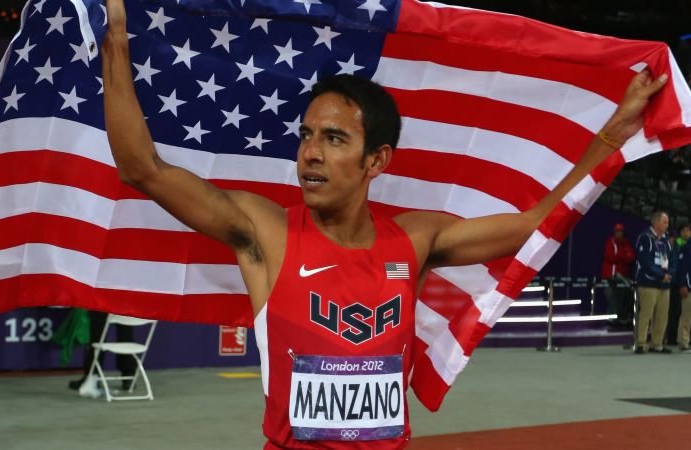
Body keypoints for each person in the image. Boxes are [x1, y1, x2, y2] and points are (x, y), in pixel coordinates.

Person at [101, 1, 667, 447]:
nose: (310, 153)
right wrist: (117, 39)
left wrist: (615, 132)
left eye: (333, 139)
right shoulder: (265, 232)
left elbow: (534, 224)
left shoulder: (416, 240)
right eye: (306, 136)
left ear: (377, 160)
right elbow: (143, 168)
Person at [634, 212, 675, 354]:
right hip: (648, 283)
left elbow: (672, 261)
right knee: (646, 314)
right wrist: (661, 275)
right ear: (656, 223)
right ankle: (641, 343)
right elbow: (645, 262)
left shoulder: (666, 241)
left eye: (667, 222)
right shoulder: (645, 237)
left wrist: (669, 274)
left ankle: (657, 344)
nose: (667, 225)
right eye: (665, 222)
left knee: (662, 315)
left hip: (665, 284)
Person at [601, 223, 636, 328]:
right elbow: (611, 257)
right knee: (612, 297)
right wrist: (624, 257)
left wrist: (621, 257)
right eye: (617, 231)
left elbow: (631, 257)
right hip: (610, 276)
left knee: (624, 296)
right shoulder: (610, 242)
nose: (619, 233)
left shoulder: (626, 243)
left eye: (620, 231)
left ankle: (623, 318)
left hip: (623, 276)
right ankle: (612, 319)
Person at [676, 235, 691, 352]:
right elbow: (681, 268)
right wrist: (683, 285)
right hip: (688, 288)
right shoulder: (686, 247)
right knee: (687, 316)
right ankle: (683, 342)